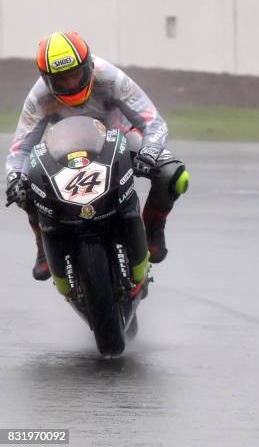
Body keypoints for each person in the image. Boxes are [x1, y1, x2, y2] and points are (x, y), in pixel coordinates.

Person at [5, 31, 189, 280]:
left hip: (119, 140)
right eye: (61, 80)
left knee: (173, 175)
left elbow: (152, 122)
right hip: (62, 153)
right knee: (24, 188)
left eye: (75, 75)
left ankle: (153, 228)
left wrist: (149, 153)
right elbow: (20, 149)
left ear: (88, 65)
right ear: (47, 80)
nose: (70, 84)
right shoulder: (39, 97)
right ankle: (42, 242)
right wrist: (15, 178)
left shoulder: (110, 77)